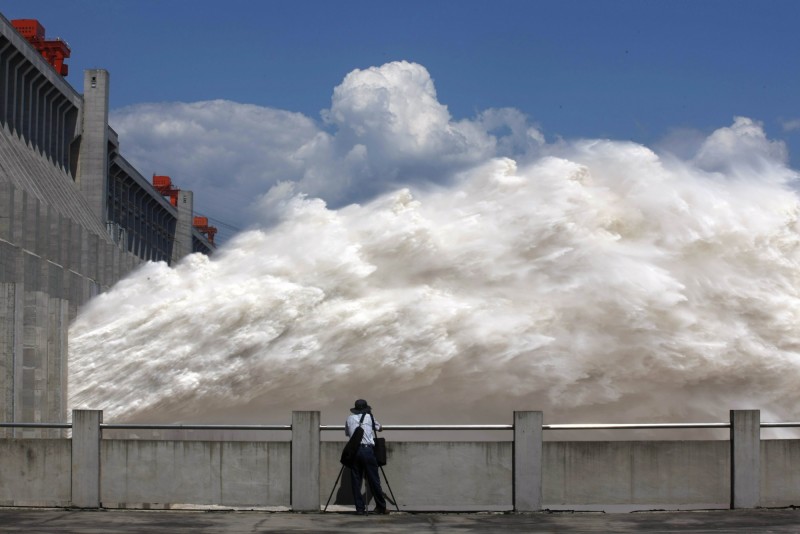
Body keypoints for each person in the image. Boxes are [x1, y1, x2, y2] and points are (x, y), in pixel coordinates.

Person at [345, 399, 388, 515]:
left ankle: (359, 509)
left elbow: (348, 434)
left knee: (356, 481)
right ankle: (381, 507)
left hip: (354, 452)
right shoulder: (370, 418)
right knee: (374, 480)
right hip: (367, 451)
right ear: (365, 409)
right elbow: (380, 428)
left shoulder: (349, 418)